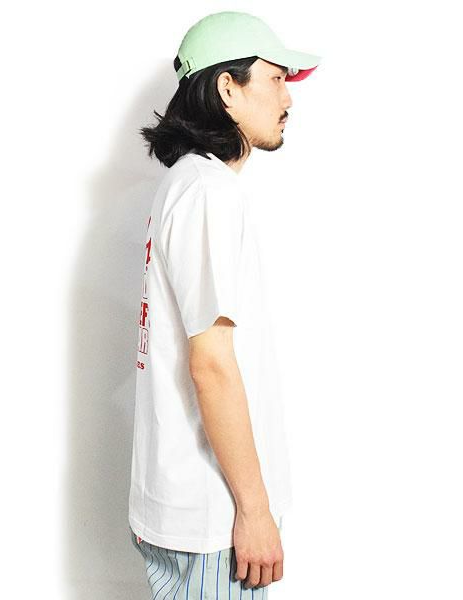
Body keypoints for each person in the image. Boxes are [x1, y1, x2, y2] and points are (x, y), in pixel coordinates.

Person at [128, 10, 321, 598]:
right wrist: (255, 511)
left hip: (191, 504)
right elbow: (210, 364)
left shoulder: (188, 184)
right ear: (227, 89)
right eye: (276, 78)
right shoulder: (208, 193)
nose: (288, 97)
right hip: (216, 518)